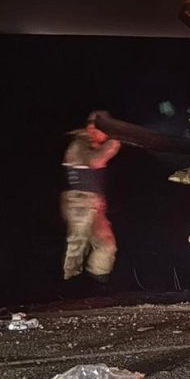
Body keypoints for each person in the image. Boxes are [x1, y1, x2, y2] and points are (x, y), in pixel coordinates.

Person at [60, 114, 121, 284]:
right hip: (78, 201)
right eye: (106, 131)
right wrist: (115, 141)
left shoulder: (90, 144)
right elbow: (95, 161)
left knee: (107, 243)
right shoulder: (79, 143)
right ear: (93, 128)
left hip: (93, 202)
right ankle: (69, 285)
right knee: (77, 244)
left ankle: (97, 279)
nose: (107, 136)